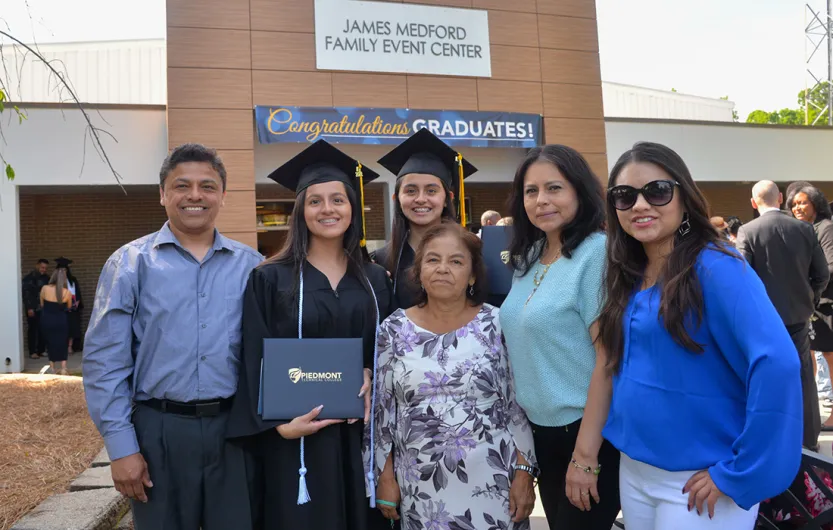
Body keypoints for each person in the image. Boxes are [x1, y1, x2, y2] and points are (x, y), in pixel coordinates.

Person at [598, 142, 803, 528]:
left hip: (698, 484)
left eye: (657, 191)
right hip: (636, 472)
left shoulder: (716, 267)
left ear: (684, 197)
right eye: (624, 196)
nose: (640, 205)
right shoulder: (630, 272)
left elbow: (776, 363)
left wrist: (742, 470)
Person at [83, 143, 263, 530]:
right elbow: (105, 362)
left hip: (233, 431)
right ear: (163, 194)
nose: (195, 195)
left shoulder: (253, 268)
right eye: (182, 185)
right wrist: (121, 448)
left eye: (207, 186)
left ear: (223, 196)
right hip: (158, 433)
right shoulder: (130, 264)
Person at [225, 140, 395, 530]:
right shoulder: (269, 278)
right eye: (315, 200)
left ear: (353, 209)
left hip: (361, 437)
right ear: (300, 211)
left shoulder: (373, 280)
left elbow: (389, 351)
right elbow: (253, 356)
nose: (327, 209)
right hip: (295, 440)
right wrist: (276, 424)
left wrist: (373, 373)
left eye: (338, 199)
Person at [373, 222, 537, 529]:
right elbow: (383, 413)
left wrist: (525, 472)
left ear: (473, 274)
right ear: (418, 271)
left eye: (456, 261)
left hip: (495, 482)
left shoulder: (499, 324)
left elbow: (519, 405)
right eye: (432, 260)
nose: (443, 269)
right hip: (420, 488)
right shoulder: (393, 330)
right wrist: (384, 477)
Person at [499, 145, 620, 529]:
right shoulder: (531, 254)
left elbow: (608, 359)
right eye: (531, 191)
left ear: (579, 192)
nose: (541, 200)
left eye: (554, 188)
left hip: (586, 434)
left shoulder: (596, 253)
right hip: (543, 436)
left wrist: (585, 456)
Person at [735, 180, 828, 450]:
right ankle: (809, 440)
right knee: (804, 379)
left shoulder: (747, 231)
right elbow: (822, 274)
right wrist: (810, 297)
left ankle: (771, 440)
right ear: (779, 200)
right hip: (798, 318)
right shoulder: (804, 229)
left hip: (763, 321)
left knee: (764, 379)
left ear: (754, 203)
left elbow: (743, 278)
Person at [372, 128, 476, 310]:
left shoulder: (471, 253)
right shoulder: (381, 262)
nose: (420, 198)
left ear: (447, 199)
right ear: (397, 199)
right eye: (411, 191)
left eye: (431, 191)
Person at [786, 184, 833, 430]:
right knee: (817, 356)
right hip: (814, 305)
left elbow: (830, 267)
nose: (798, 208)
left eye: (803, 202)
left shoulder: (825, 228)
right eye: (794, 204)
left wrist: (806, 287)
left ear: (816, 203)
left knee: (830, 357)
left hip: (827, 305)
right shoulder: (805, 230)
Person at [40, 268, 72, 374]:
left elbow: (42, 305)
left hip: (47, 320)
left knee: (50, 343)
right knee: (63, 343)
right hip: (61, 321)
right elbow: (69, 307)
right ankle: (63, 368)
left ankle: (52, 367)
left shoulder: (44, 288)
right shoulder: (67, 292)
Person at [22, 258, 49, 359]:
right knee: (33, 329)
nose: (44, 270)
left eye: (45, 268)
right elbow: (26, 294)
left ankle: (41, 350)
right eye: (42, 267)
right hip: (32, 308)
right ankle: (32, 351)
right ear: (37, 266)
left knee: (43, 329)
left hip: (43, 308)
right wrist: (29, 308)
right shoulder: (29, 279)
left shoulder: (46, 278)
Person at [55, 257, 84, 354]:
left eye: (64, 269)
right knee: (61, 328)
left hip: (73, 307)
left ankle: (70, 347)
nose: (63, 271)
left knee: (72, 327)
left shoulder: (73, 280)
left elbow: (78, 292)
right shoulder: (55, 282)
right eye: (61, 270)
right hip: (60, 307)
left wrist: (77, 302)